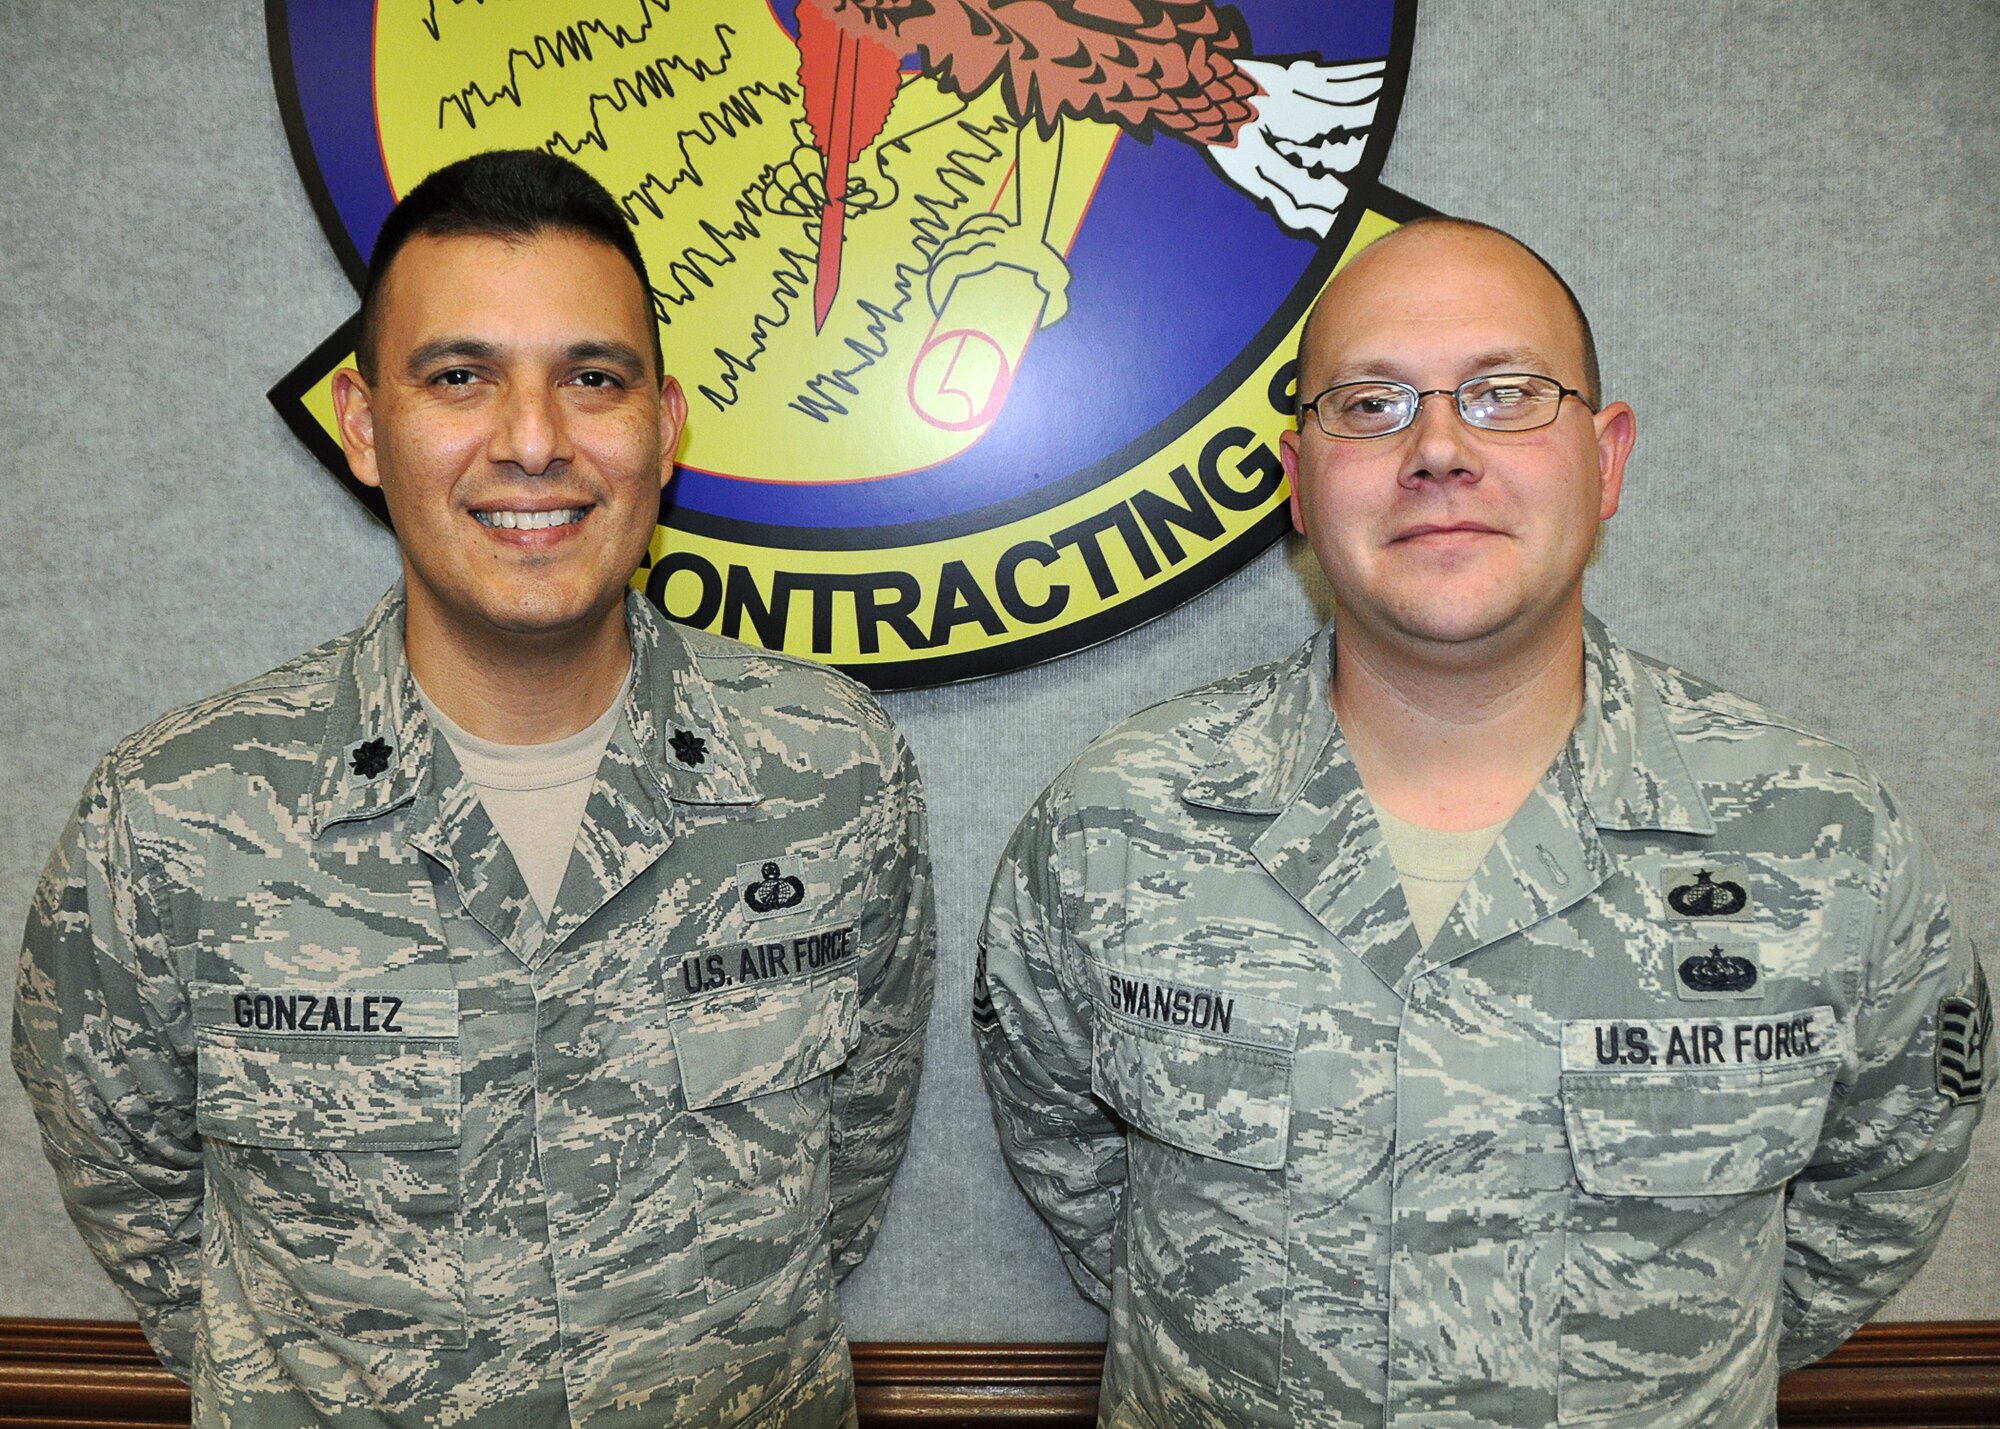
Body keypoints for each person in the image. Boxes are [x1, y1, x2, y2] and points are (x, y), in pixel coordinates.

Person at [973, 216, 1986, 1428]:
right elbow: (1080, 1173)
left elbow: (1868, 1205)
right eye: (1368, 404)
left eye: (1504, 394)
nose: (1439, 448)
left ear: (1604, 461)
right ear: (1296, 481)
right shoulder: (1112, 825)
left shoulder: (1818, 840)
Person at [13, 149, 935, 1428]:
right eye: (460, 377)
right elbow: (133, 1186)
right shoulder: (174, 816)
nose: (534, 442)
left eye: (591, 379)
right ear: (363, 424)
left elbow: (848, 1168)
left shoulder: (832, 775)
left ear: (663, 429)